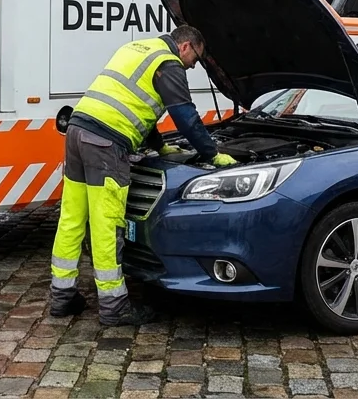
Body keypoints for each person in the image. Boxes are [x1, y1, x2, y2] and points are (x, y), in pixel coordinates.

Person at [48, 25, 236, 326]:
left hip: (77, 132)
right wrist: (211, 153)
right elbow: (185, 115)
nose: (193, 66)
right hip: (105, 143)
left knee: (72, 218)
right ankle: (113, 307)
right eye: (196, 60)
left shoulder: (139, 49)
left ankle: (62, 296)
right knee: (106, 224)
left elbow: (133, 105)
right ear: (186, 46)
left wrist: (160, 146)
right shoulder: (169, 63)